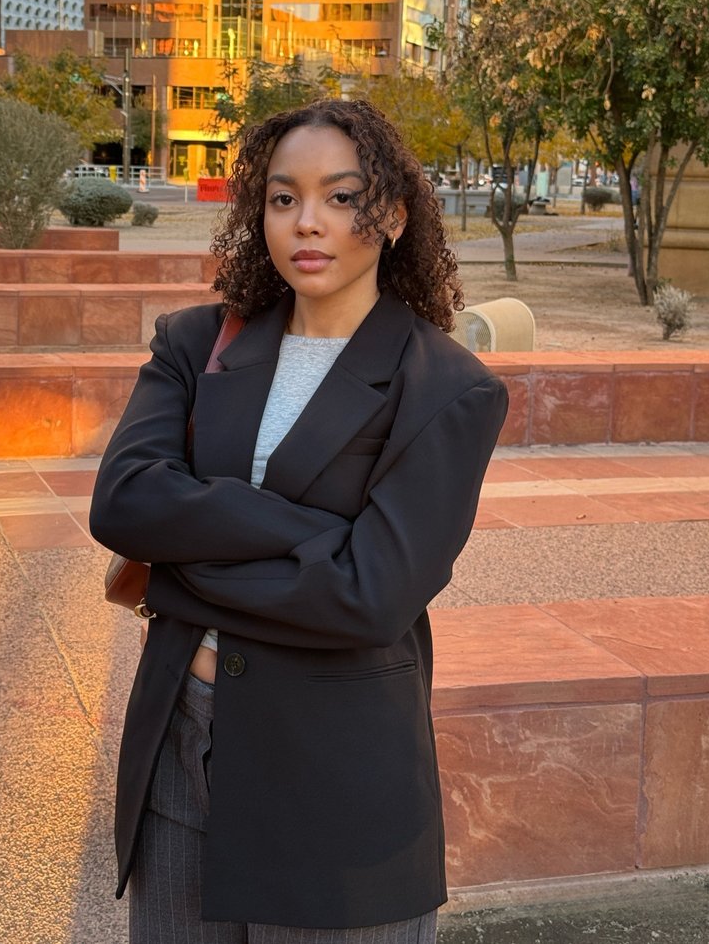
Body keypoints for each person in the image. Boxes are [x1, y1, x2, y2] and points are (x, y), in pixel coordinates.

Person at [89, 98, 508, 944]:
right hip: (181, 750)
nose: (307, 223)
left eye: (341, 197)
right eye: (284, 199)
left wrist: (180, 565)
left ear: (390, 213)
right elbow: (125, 501)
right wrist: (308, 537)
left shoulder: (448, 388)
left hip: (336, 781)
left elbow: (368, 598)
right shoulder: (197, 342)